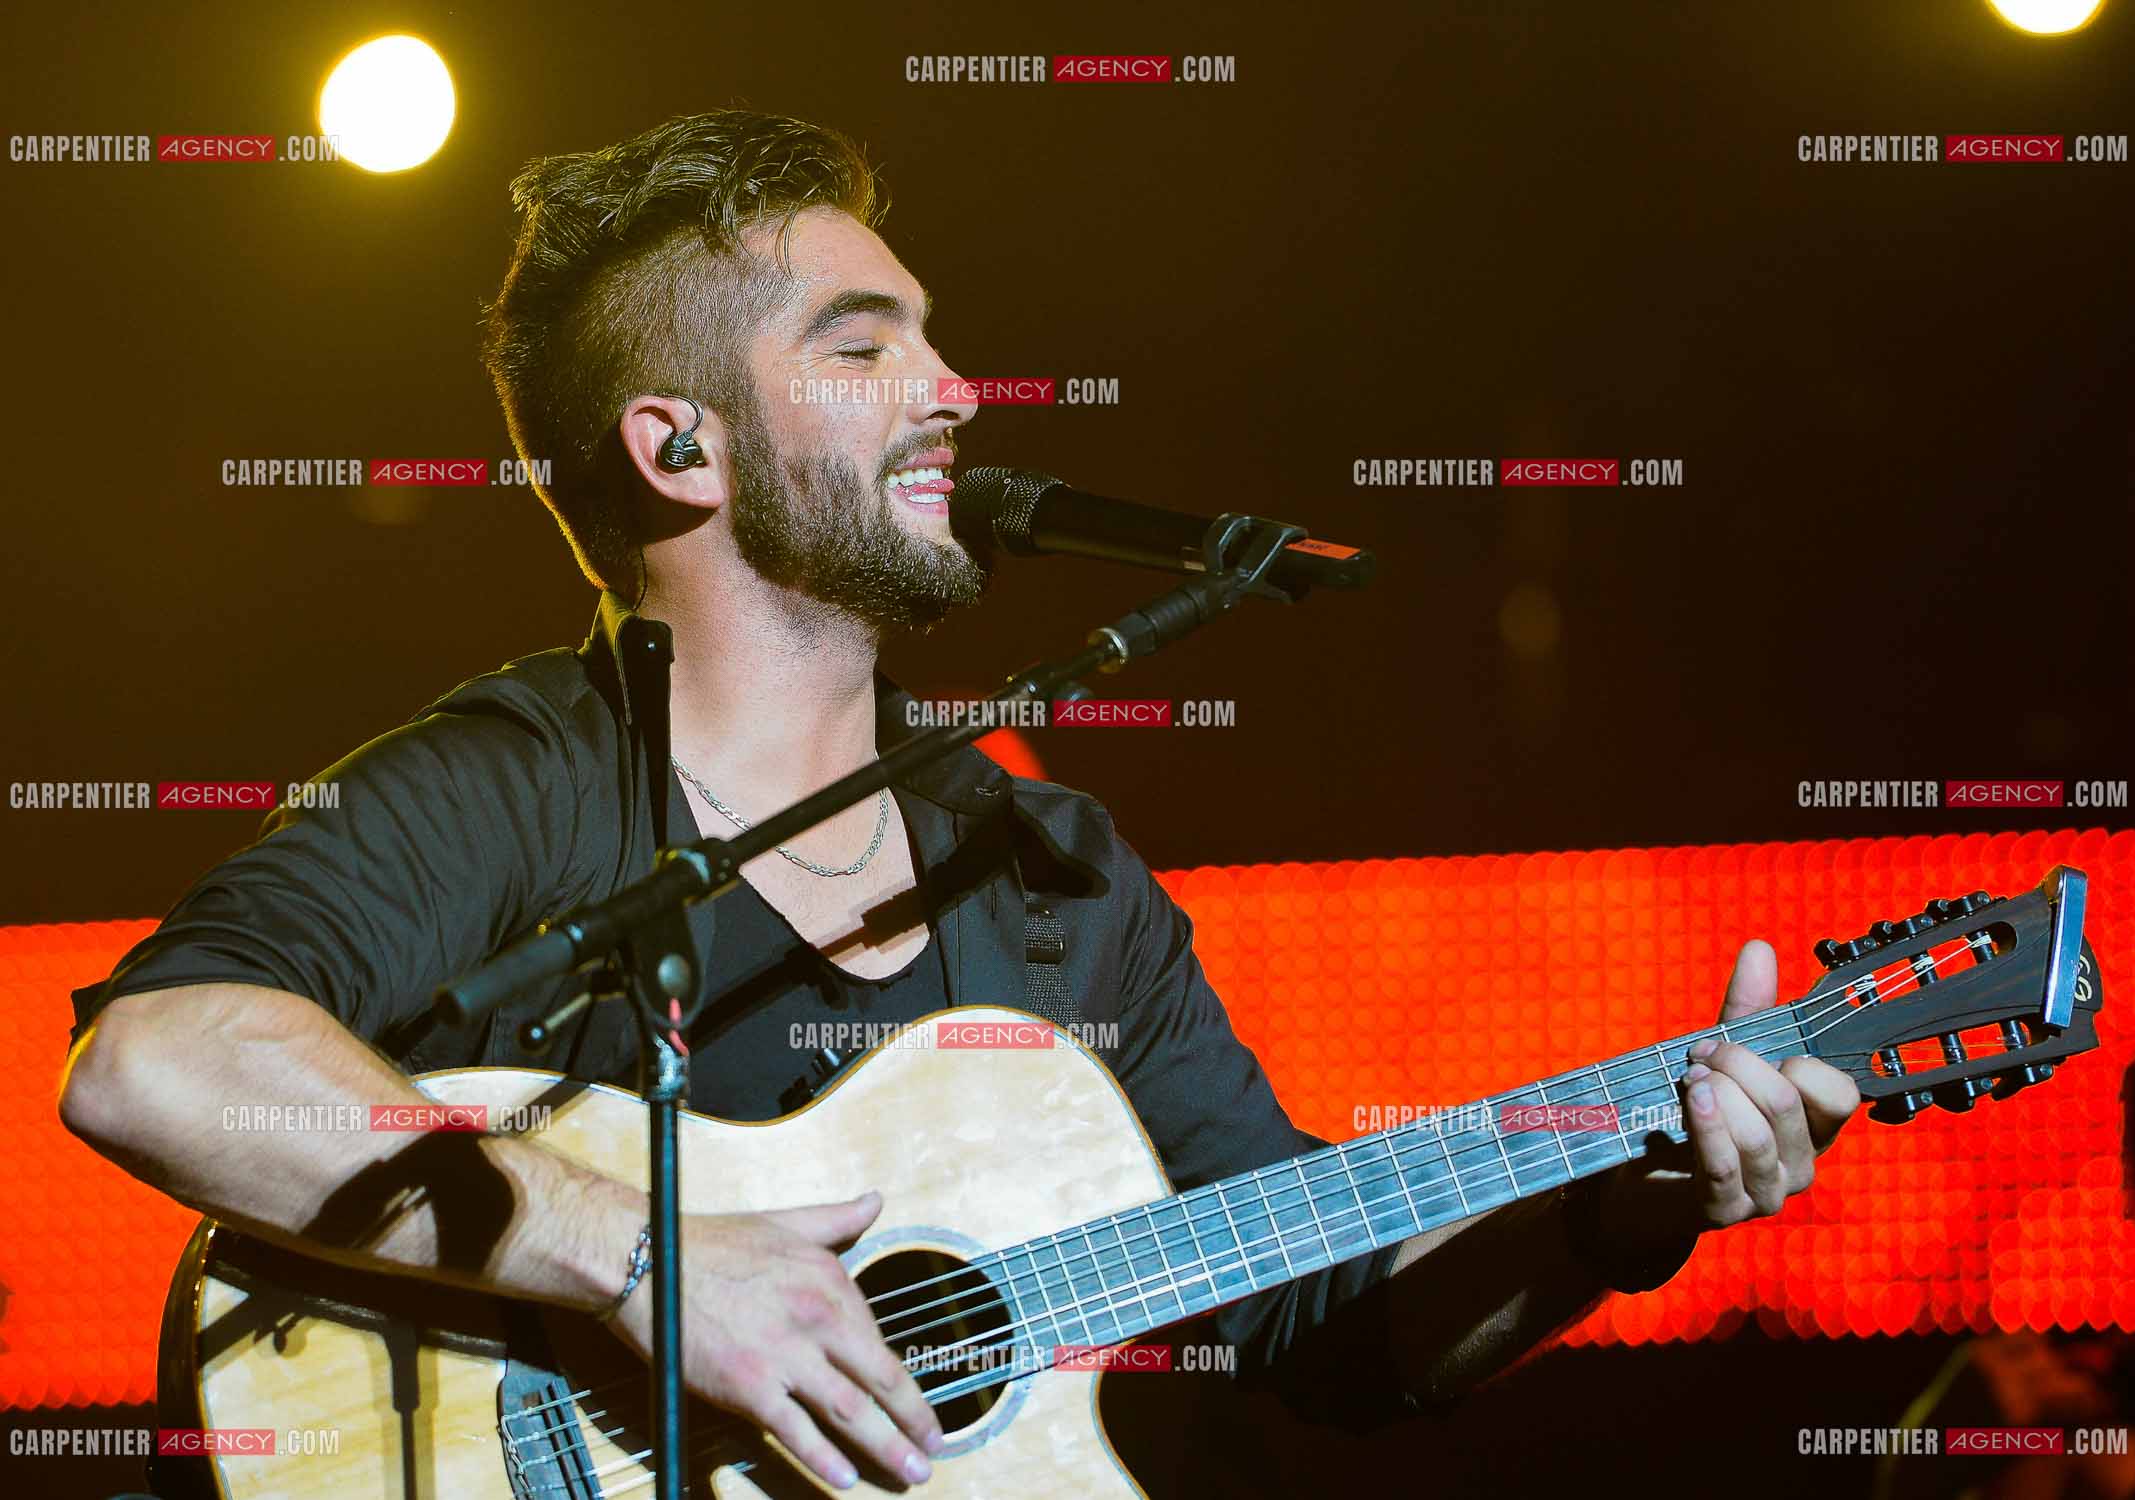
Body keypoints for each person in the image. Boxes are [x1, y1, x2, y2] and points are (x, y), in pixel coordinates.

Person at [59, 109, 1860, 1494]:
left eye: (931, 343)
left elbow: (1316, 1321)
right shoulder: (519, 786)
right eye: (863, 349)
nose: (957, 393)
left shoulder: (1056, 874)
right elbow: (154, 1061)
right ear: (676, 444)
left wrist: (1619, 1213)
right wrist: (645, 1269)